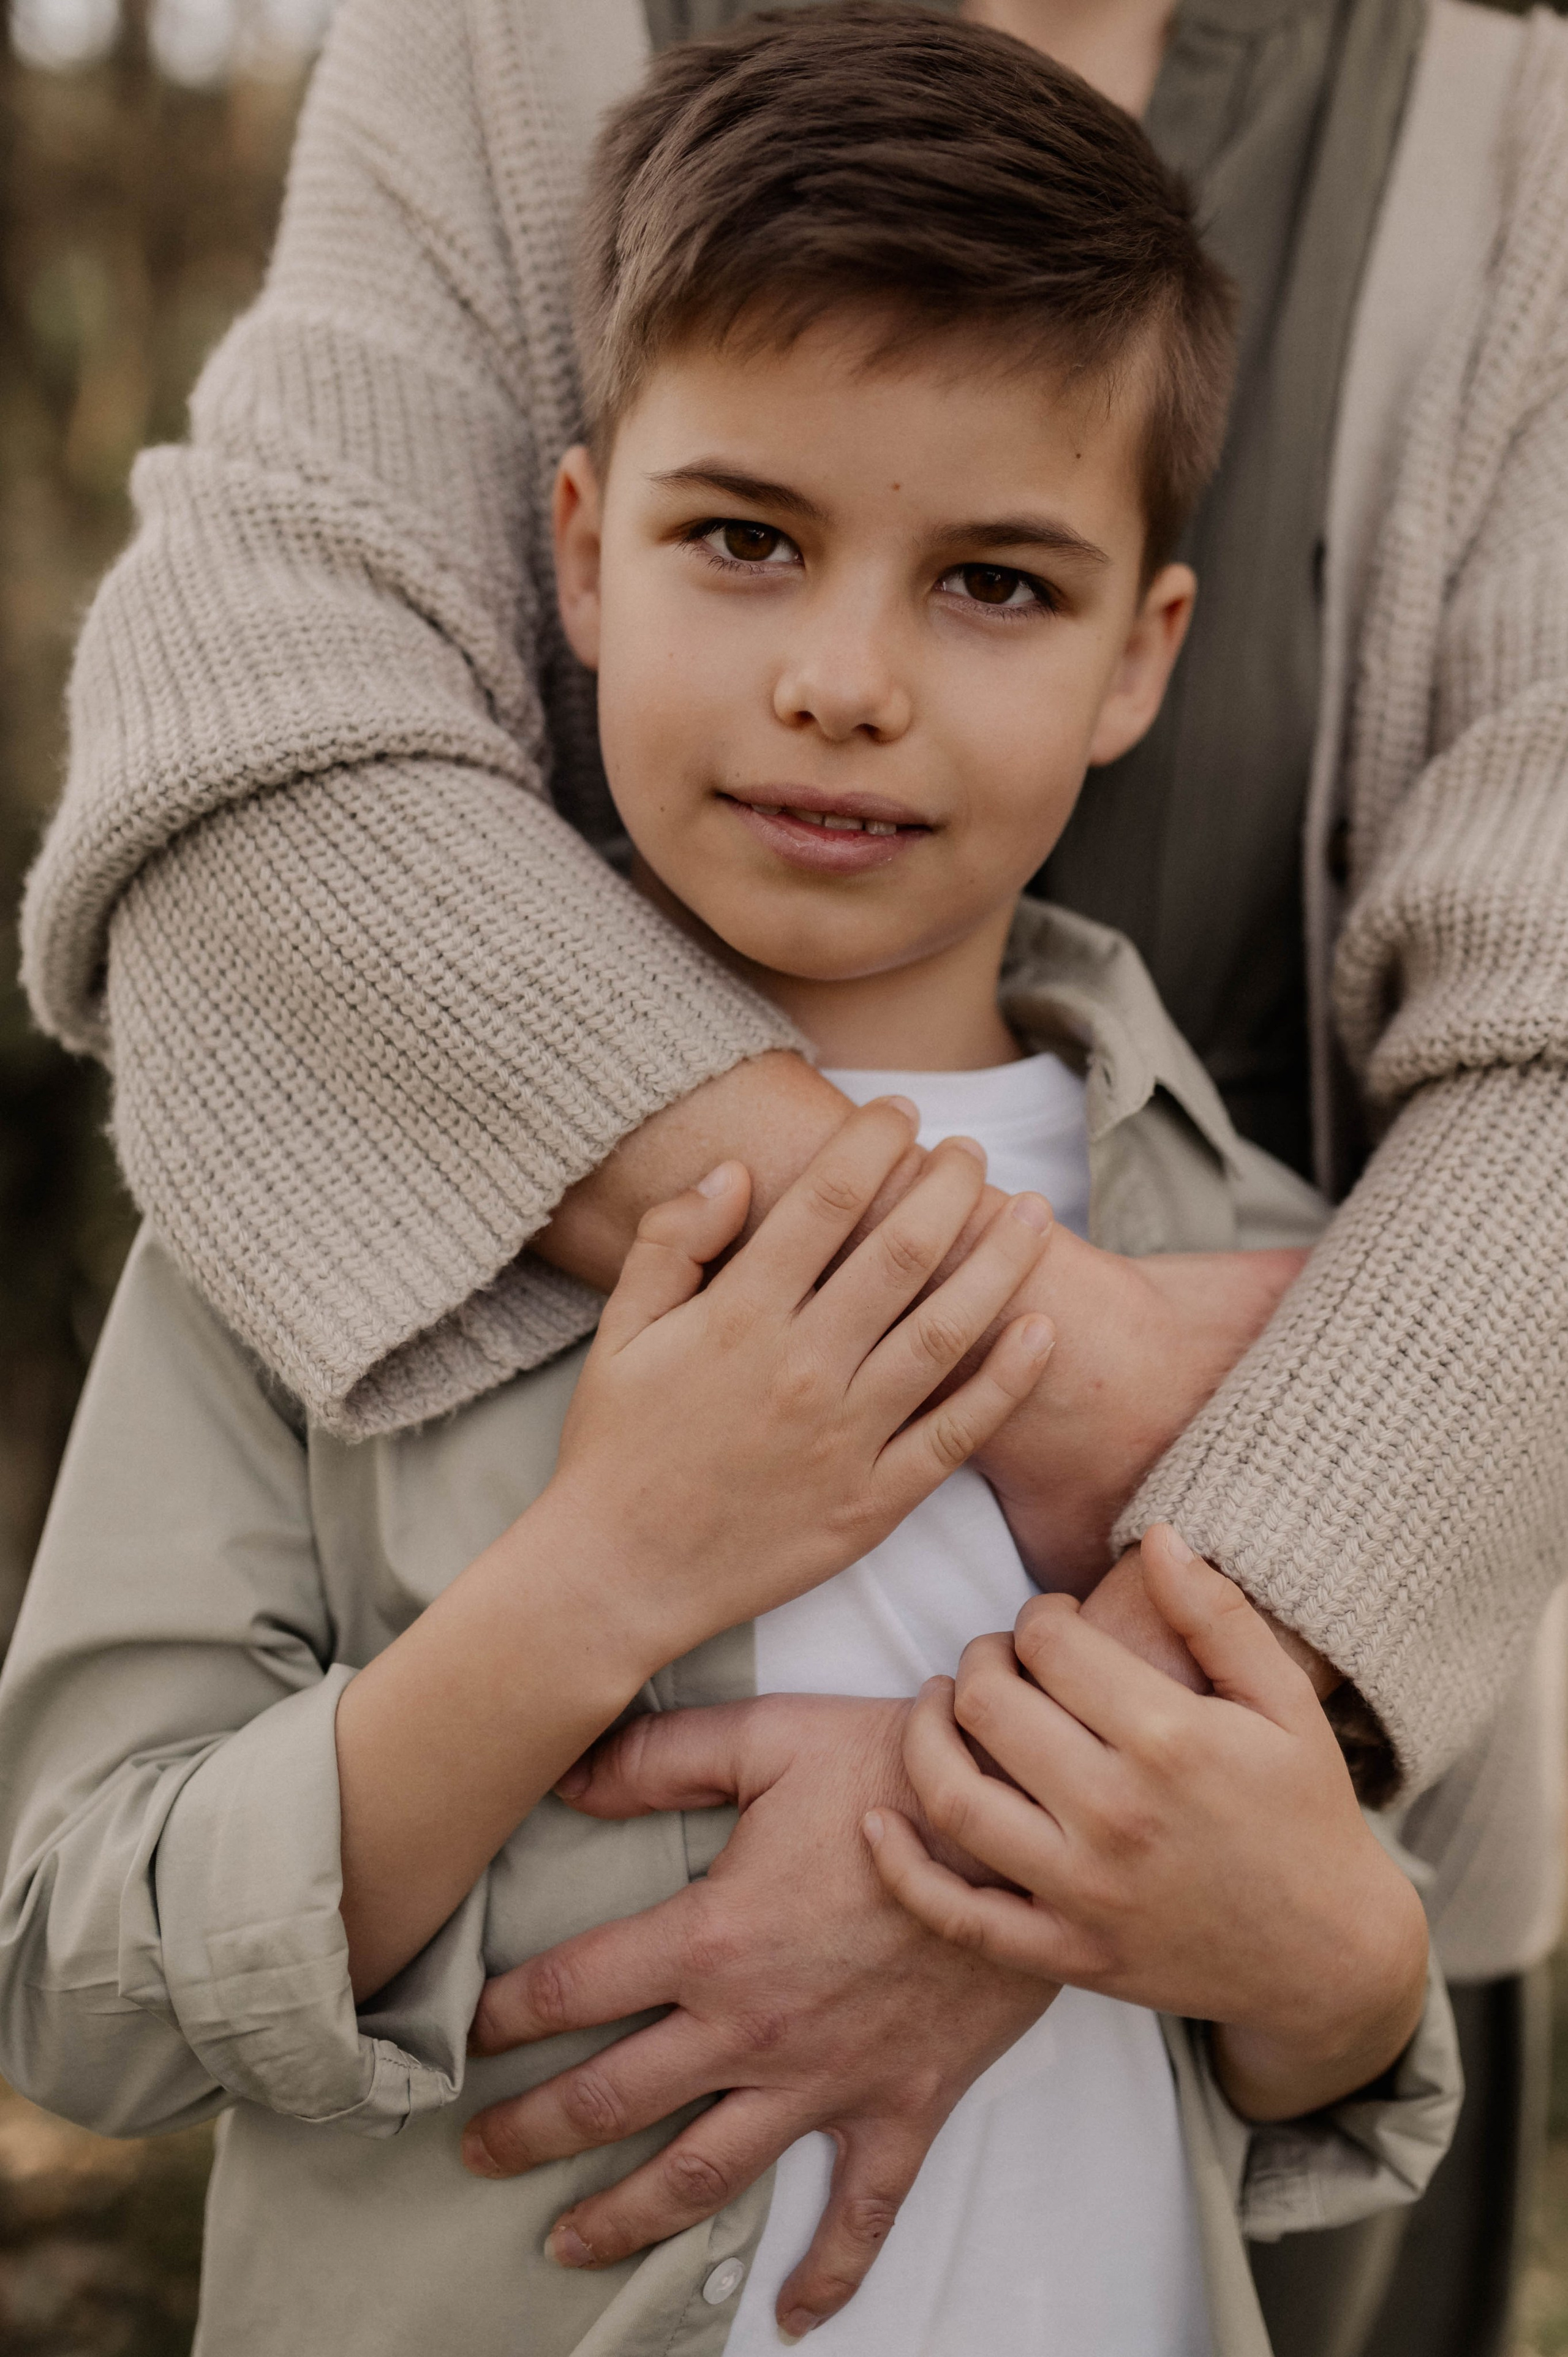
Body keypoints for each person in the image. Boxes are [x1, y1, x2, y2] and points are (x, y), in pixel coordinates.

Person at [17, 0, 1568, 2347]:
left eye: (997, 583)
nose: (847, 679)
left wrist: (1284, 1941)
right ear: (582, 549)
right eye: (745, 538)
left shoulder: (1275, 1279)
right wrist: (611, 1573)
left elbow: (1338, 2024)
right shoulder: (328, 1242)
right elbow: (75, 1984)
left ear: (1145, 651)